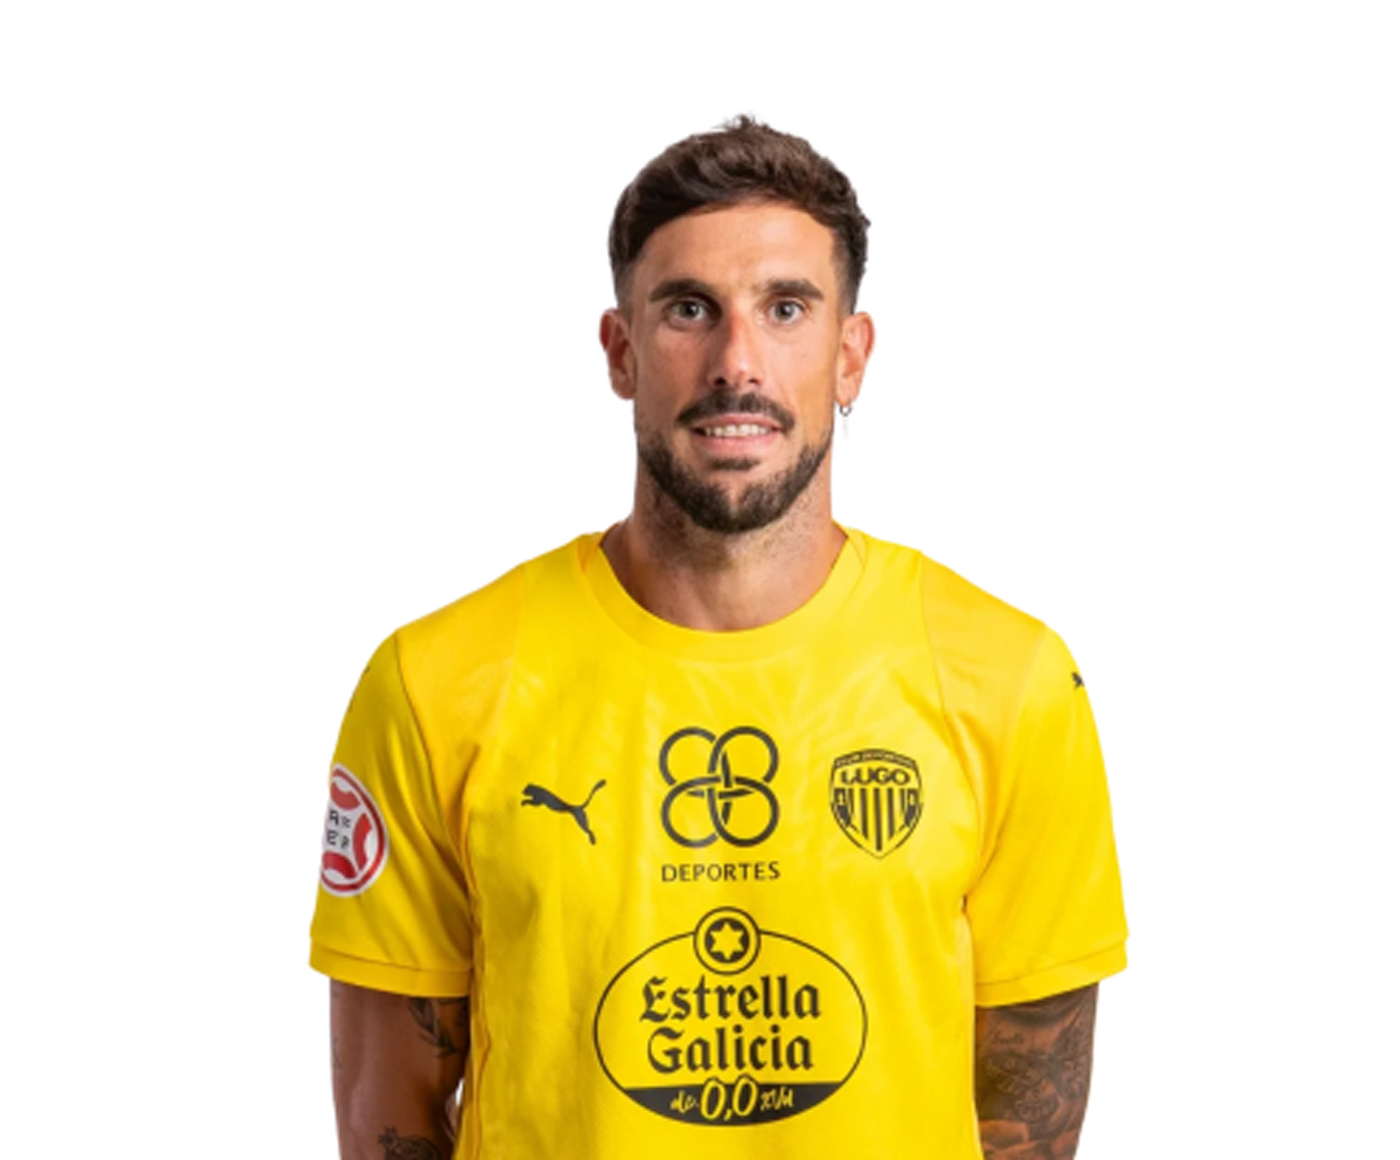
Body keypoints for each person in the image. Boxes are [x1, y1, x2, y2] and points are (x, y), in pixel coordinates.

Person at [310, 116, 1128, 1160]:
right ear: (621, 351)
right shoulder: (436, 682)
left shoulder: (1011, 680)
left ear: (850, 356)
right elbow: (386, 1117)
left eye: (786, 308)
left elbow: (1030, 1120)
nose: (736, 362)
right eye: (689, 309)